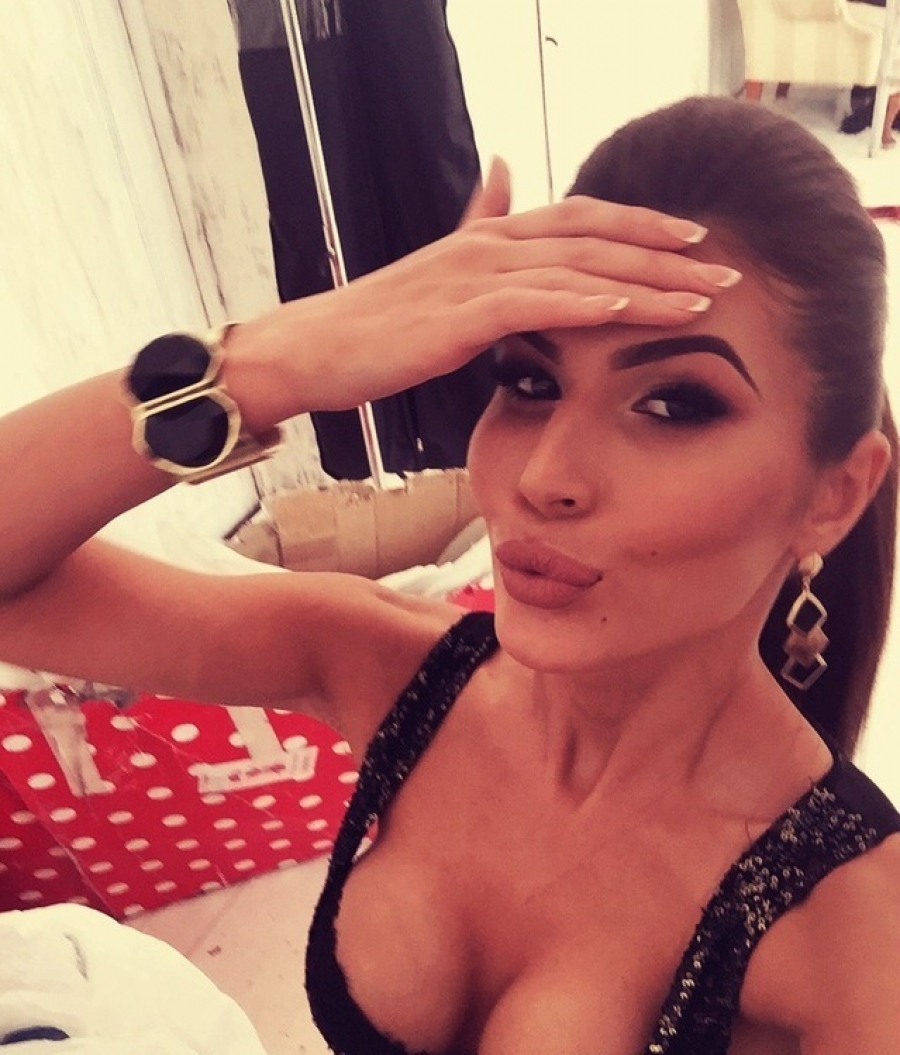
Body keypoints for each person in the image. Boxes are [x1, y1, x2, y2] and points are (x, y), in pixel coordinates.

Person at [1, 95, 898, 1053]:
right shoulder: (391, 667)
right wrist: (271, 361)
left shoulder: (854, 933)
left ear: (834, 494)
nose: (544, 475)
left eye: (673, 405)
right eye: (530, 381)